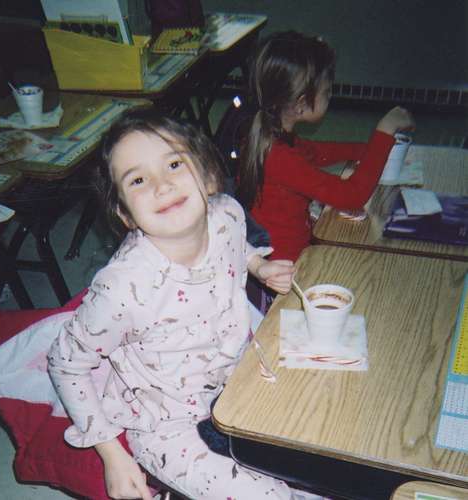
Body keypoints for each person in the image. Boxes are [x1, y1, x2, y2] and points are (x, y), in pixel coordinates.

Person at [47, 108, 317, 500]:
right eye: (138, 180)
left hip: (238, 379)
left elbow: (235, 244)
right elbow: (65, 362)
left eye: (174, 164)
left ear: (207, 176)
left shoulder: (227, 214)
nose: (162, 185)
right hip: (166, 425)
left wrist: (258, 266)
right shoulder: (122, 289)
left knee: (321, 444)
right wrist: (110, 454)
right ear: (125, 214)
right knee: (270, 496)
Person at [237, 31, 415, 263]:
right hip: (286, 264)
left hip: (291, 248)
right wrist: (384, 131)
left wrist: (369, 150)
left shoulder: (272, 135)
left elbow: (316, 152)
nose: (330, 96)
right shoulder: (278, 156)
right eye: (326, 92)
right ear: (301, 104)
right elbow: (352, 196)